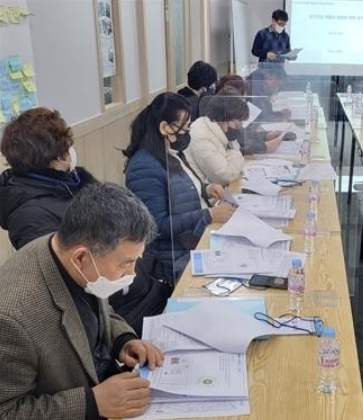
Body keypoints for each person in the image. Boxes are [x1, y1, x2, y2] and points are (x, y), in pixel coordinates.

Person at [0, 182, 164, 419]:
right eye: (125, 263)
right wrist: (92, 403)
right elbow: (6, 411)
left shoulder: (68, 250)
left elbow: (95, 307)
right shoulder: (11, 319)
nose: (132, 273)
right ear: (81, 258)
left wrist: (122, 341)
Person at [124, 92, 235, 286]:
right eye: (184, 127)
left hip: (193, 241)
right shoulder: (144, 167)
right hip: (173, 259)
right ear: (165, 127)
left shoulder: (170, 152)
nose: (188, 132)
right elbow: (156, 226)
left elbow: (180, 190)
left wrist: (206, 189)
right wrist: (208, 215)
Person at [0, 107, 97, 250]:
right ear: (57, 156)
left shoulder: (71, 180)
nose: (70, 151)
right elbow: (58, 261)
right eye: (67, 146)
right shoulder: (31, 217)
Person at [184, 94, 249, 185]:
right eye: (239, 122)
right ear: (225, 118)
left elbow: (234, 156)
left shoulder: (222, 130)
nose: (240, 126)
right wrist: (236, 155)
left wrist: (230, 157)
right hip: (208, 191)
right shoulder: (201, 136)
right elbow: (225, 176)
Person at [215, 81, 284, 155]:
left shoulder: (228, 117)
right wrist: (265, 147)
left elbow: (244, 135)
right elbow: (240, 146)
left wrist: (266, 136)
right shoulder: (224, 122)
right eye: (243, 99)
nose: (245, 103)